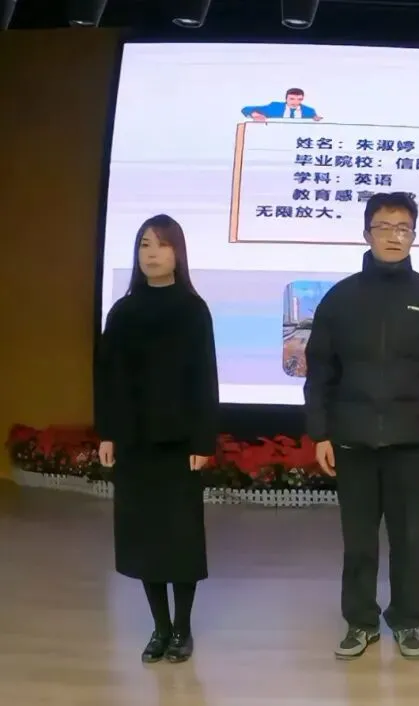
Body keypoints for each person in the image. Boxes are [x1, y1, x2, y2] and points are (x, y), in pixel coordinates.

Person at [304, 191, 419, 660]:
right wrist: (320, 432)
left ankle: (407, 620)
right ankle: (360, 621)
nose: (394, 236)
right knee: (358, 541)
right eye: (384, 227)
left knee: (408, 538)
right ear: (366, 233)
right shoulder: (341, 298)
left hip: (409, 438)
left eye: (403, 228)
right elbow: (320, 371)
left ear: (414, 235)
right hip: (351, 437)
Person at [95, 214, 219, 664]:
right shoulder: (123, 311)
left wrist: (203, 441)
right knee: (145, 538)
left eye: (162, 245)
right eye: (145, 244)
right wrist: (107, 433)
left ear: (177, 253)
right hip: (135, 443)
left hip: (179, 445)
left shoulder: (193, 309)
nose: (152, 253)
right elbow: (107, 378)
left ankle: (183, 628)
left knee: (180, 539)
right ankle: (160, 628)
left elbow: (205, 378)